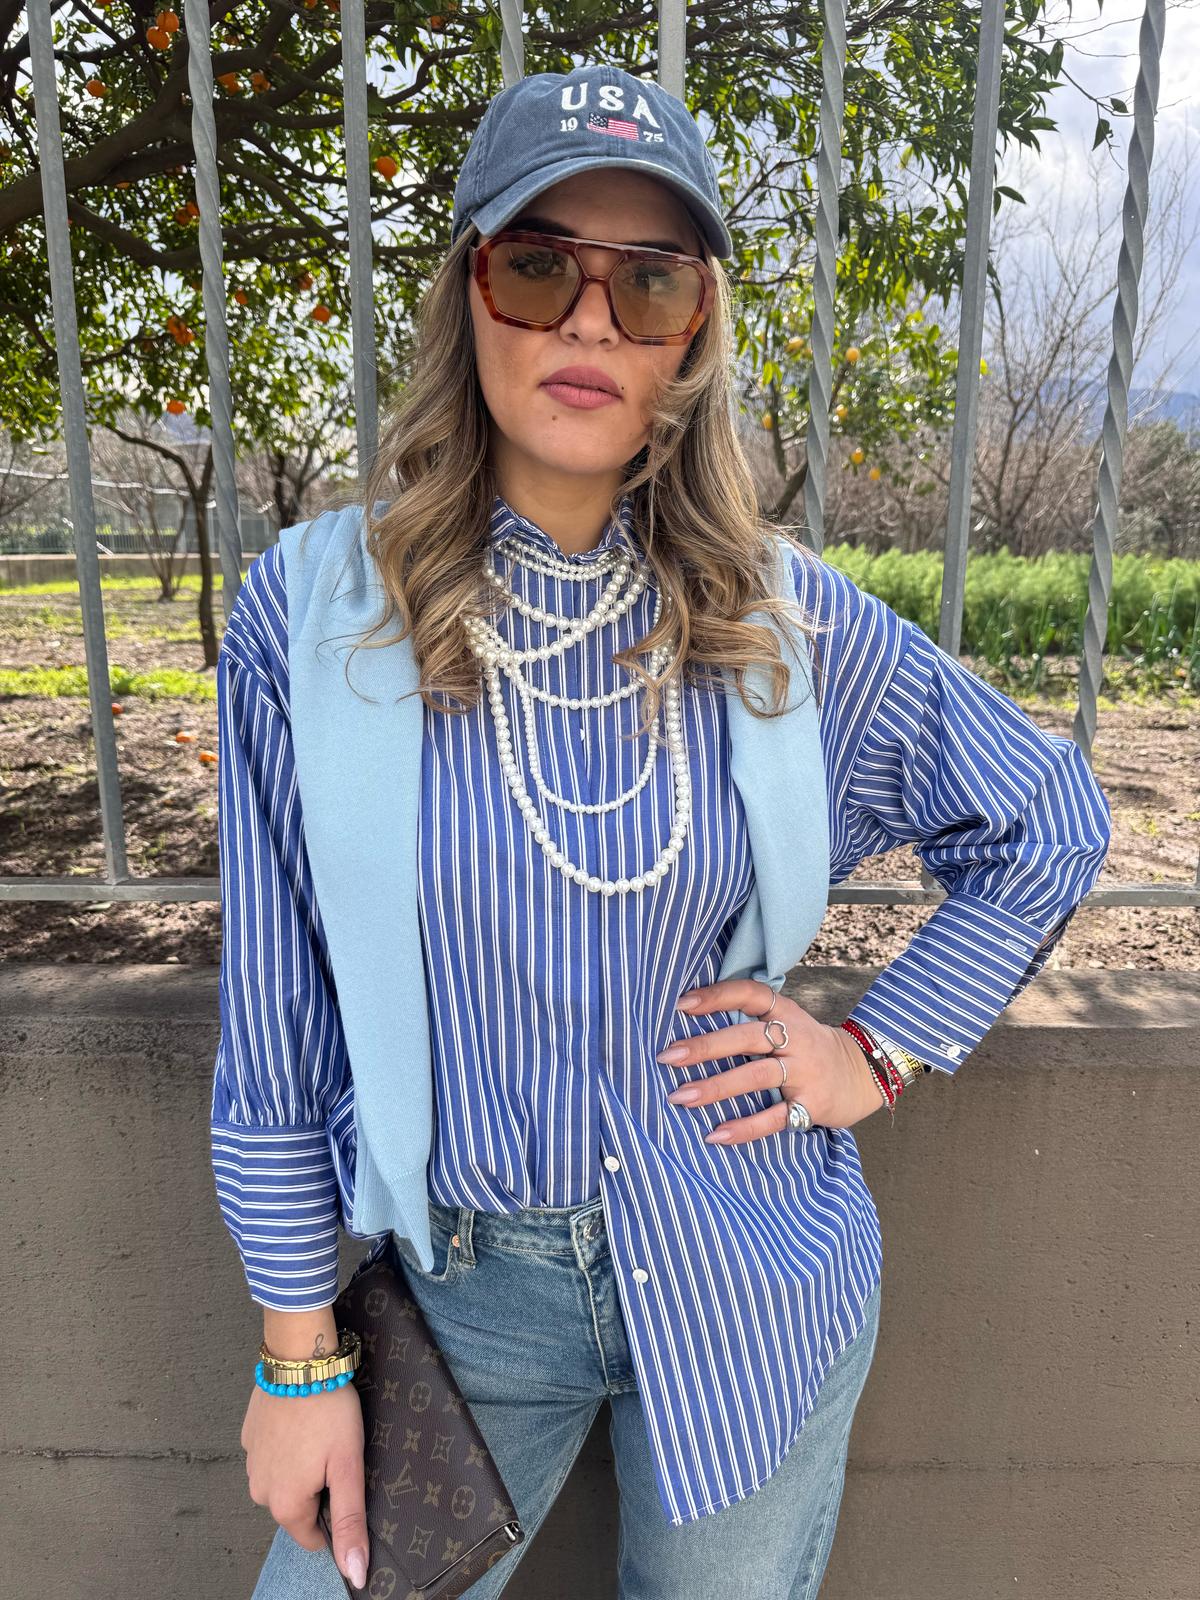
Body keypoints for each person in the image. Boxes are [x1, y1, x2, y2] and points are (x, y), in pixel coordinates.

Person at [213, 62, 1112, 1600]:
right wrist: (298, 1360)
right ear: (469, 292)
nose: (589, 323)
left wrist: (871, 1055)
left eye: (649, 284)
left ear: (695, 332)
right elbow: (276, 1030)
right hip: (464, 1293)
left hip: (750, 1272)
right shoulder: (315, 619)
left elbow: (1046, 817)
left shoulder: (783, 624)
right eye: (539, 266)